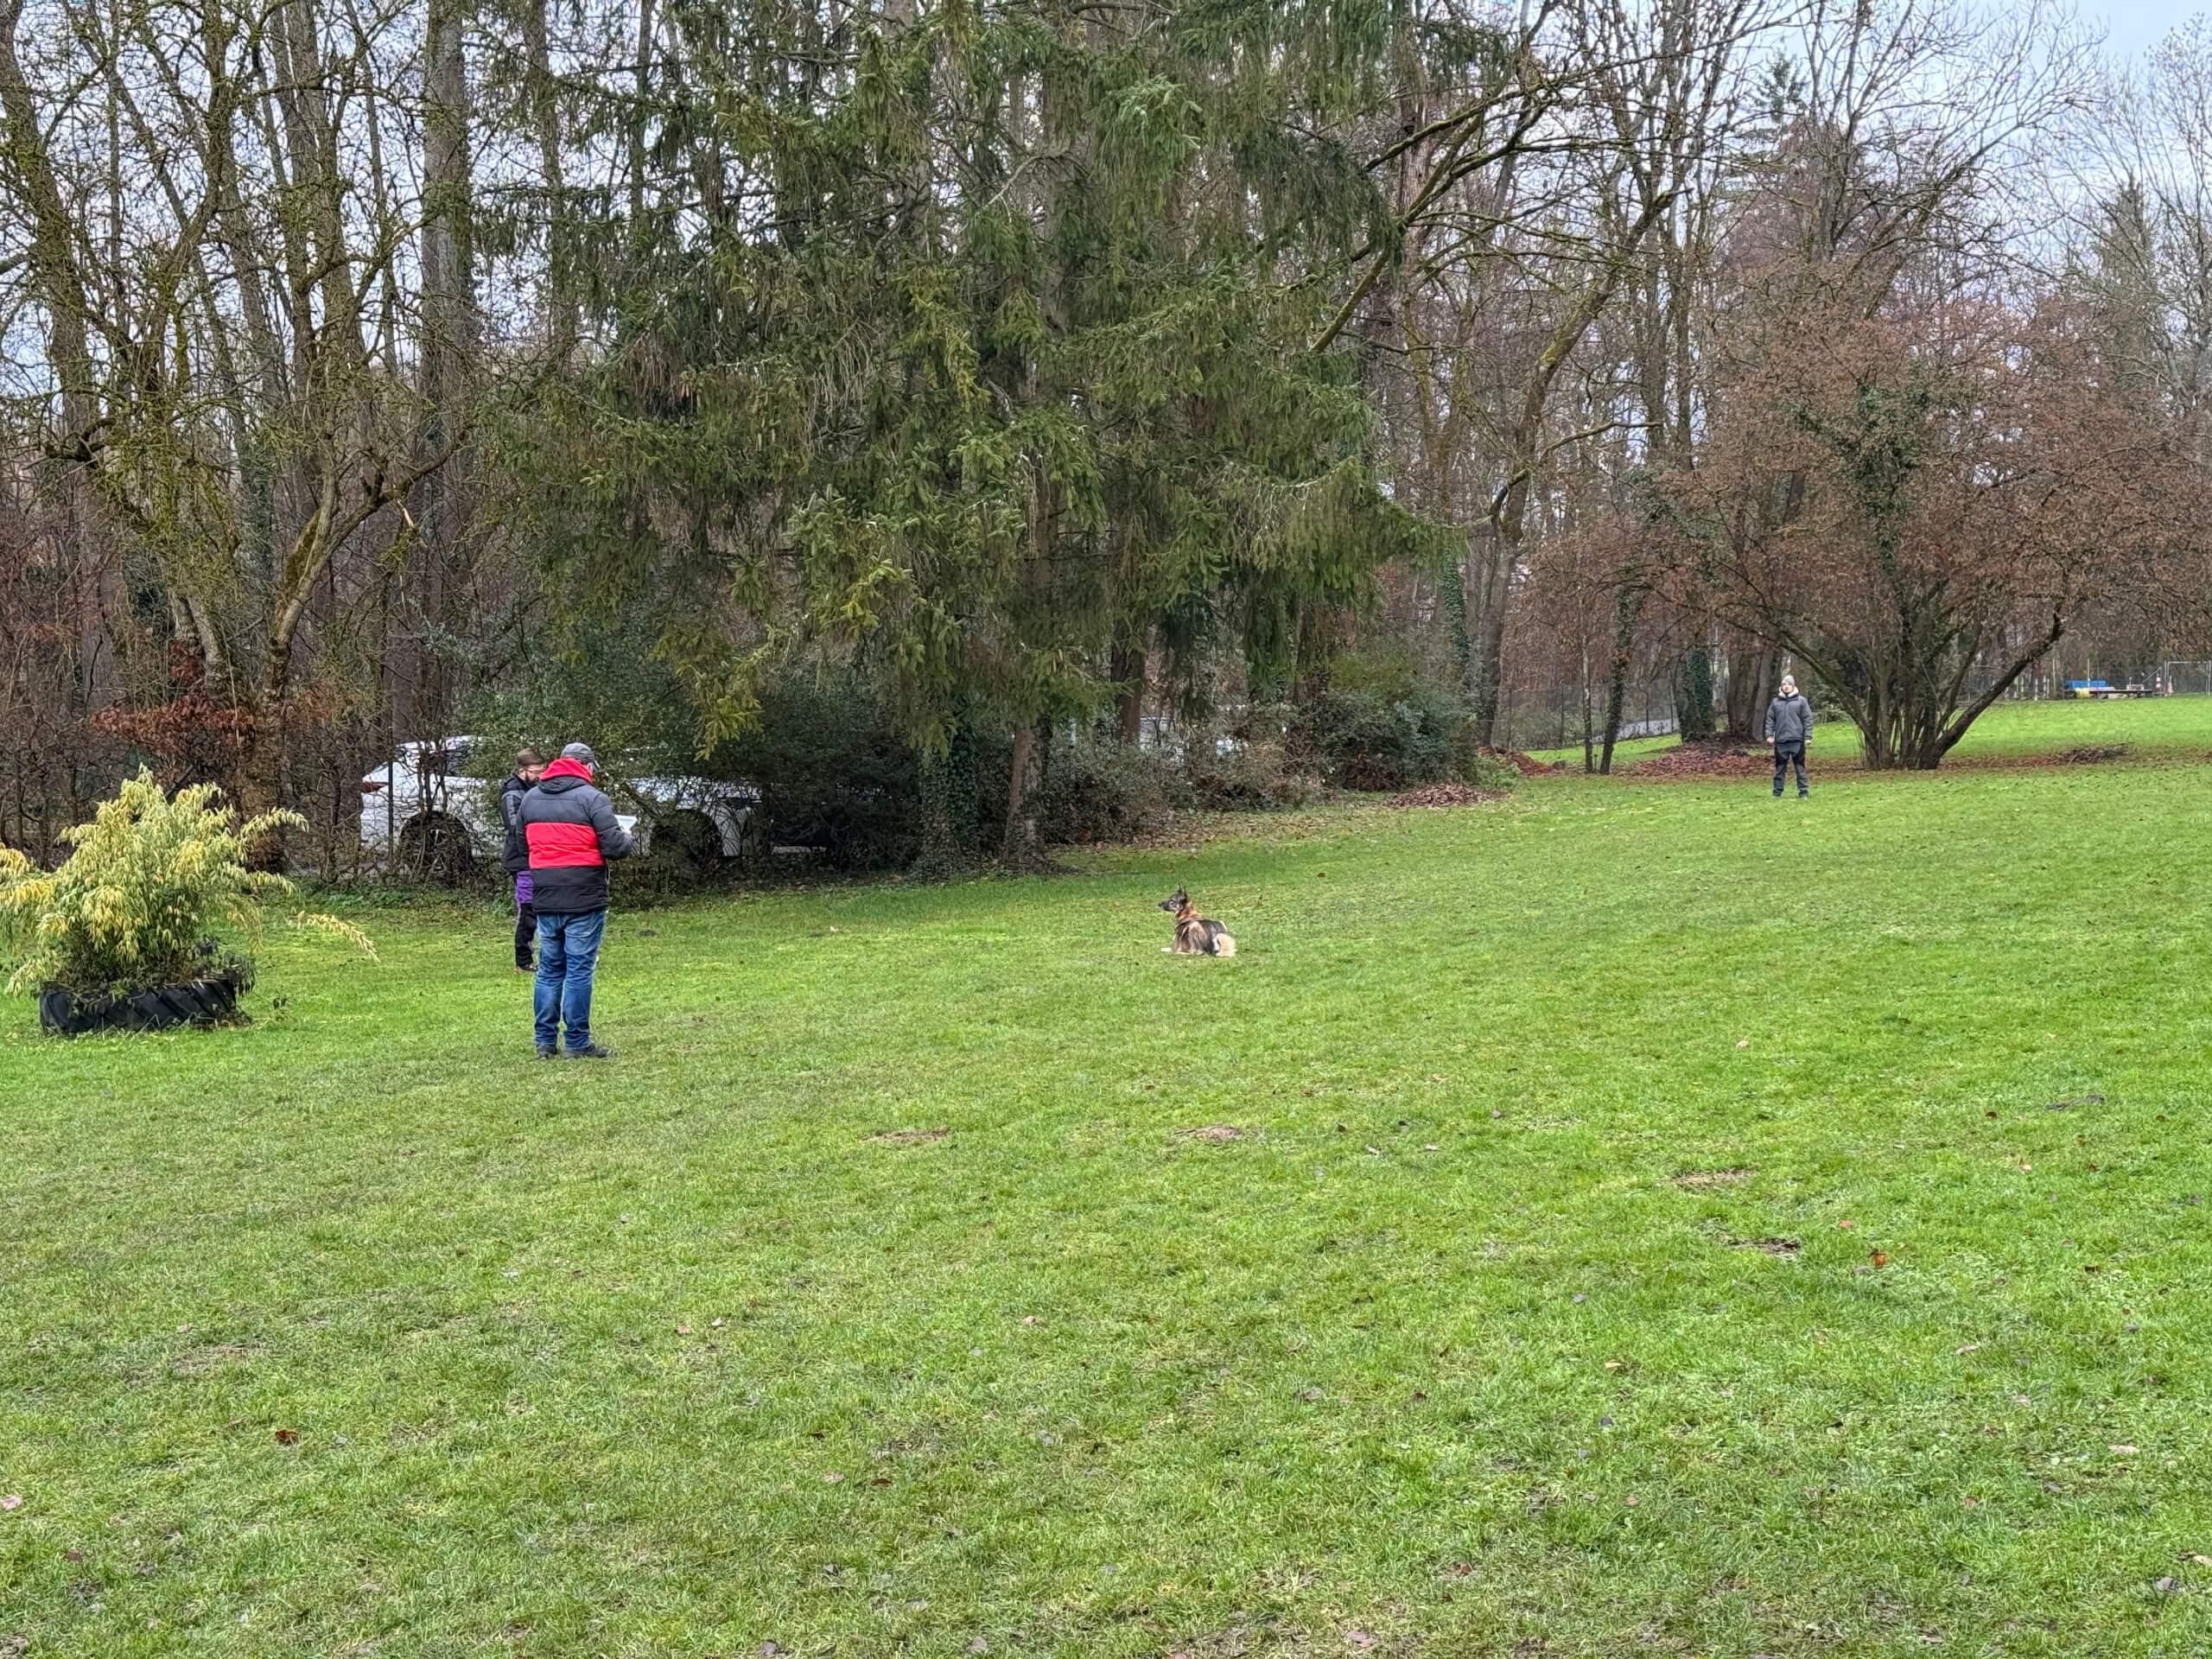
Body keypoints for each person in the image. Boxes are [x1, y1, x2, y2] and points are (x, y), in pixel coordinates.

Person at [520, 741, 633, 1058]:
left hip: (546, 895)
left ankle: (544, 1042)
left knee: (549, 969)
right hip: (584, 897)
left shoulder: (530, 799)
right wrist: (627, 837)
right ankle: (577, 1042)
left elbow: (521, 843)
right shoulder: (593, 799)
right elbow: (615, 847)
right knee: (579, 970)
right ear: (587, 766)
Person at [498, 748, 546, 972]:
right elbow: (514, 826)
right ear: (521, 771)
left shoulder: (537, 789)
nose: (540, 775)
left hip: (539, 856)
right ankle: (523, 960)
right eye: (535, 771)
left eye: (542, 770)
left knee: (543, 906)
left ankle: (546, 954)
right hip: (521, 860)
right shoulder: (511, 793)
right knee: (528, 909)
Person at [1765, 673, 1813, 799]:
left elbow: (1807, 719)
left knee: (1800, 768)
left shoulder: (1801, 701)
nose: (1786, 686)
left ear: (1793, 686)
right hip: (1781, 741)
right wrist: (1769, 735)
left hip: (1797, 740)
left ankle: (1803, 792)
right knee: (1780, 768)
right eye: (1784, 684)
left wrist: (1808, 737)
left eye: (1789, 684)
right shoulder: (1775, 702)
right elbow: (1770, 720)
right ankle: (1777, 792)